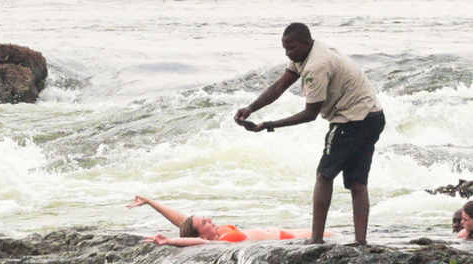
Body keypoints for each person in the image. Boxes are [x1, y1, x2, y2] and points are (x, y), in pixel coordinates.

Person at [233, 22, 385, 245]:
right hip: (372, 116)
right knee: (357, 183)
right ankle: (360, 242)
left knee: (324, 176)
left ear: (306, 42)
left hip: (353, 120)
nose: (288, 53)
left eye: (291, 48)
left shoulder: (316, 65)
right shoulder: (306, 54)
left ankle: (316, 239)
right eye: (285, 48)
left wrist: (269, 125)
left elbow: (310, 113)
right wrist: (251, 108)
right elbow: (280, 85)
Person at [128, 195, 328, 246]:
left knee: (336, 235)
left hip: (290, 232)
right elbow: (196, 241)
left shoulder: (214, 232)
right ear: (201, 234)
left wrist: (149, 201)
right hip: (289, 240)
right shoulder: (211, 242)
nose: (208, 220)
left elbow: (182, 220)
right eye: (203, 223)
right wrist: (169, 241)